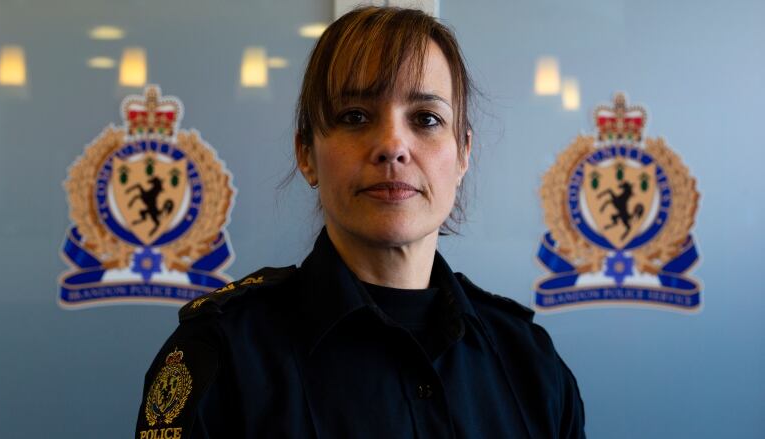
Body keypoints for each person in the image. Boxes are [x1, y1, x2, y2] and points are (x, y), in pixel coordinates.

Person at [136, 6, 585, 439]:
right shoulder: (220, 355)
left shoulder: (531, 362)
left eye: (426, 119)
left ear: (464, 153)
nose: (392, 145)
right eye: (354, 116)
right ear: (306, 154)